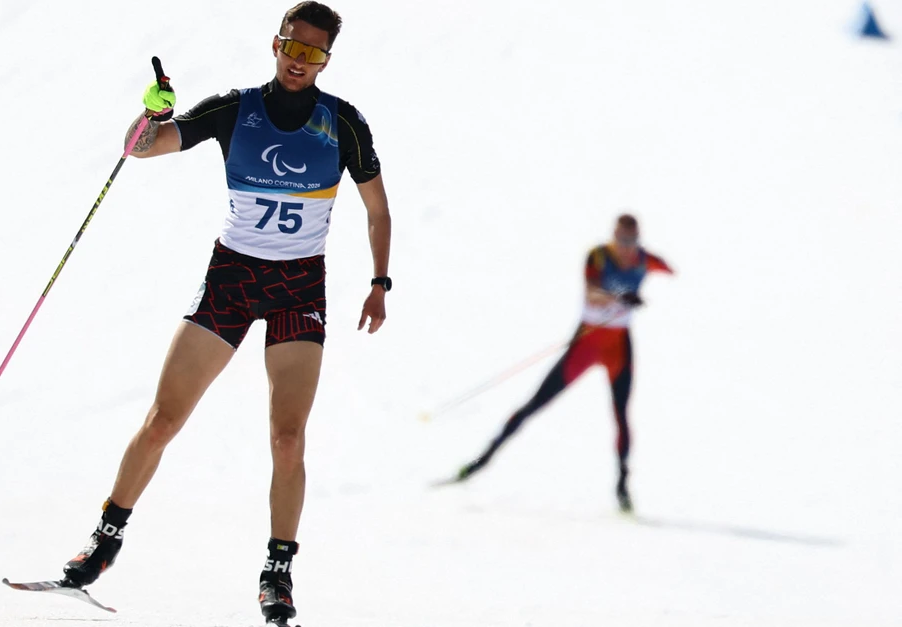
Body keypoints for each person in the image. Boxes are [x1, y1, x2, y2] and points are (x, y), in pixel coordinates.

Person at [60, 3, 391, 624]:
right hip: (232, 278)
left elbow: (378, 209)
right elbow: (140, 148)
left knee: (288, 438)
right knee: (163, 419)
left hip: (299, 287)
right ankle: (103, 541)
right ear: (276, 43)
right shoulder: (232, 108)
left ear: (326, 60)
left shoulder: (342, 123)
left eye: (315, 54)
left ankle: (277, 573)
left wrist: (379, 282)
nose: (300, 61)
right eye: (294, 47)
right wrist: (152, 111)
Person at [451, 214, 671, 513]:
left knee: (621, 415)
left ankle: (622, 488)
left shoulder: (645, 260)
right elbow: (592, 293)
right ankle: (481, 460)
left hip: (619, 348)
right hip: (586, 344)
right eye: (621, 240)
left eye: (630, 241)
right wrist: (622, 296)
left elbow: (672, 270)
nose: (625, 247)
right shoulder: (598, 256)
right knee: (535, 403)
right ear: (613, 237)